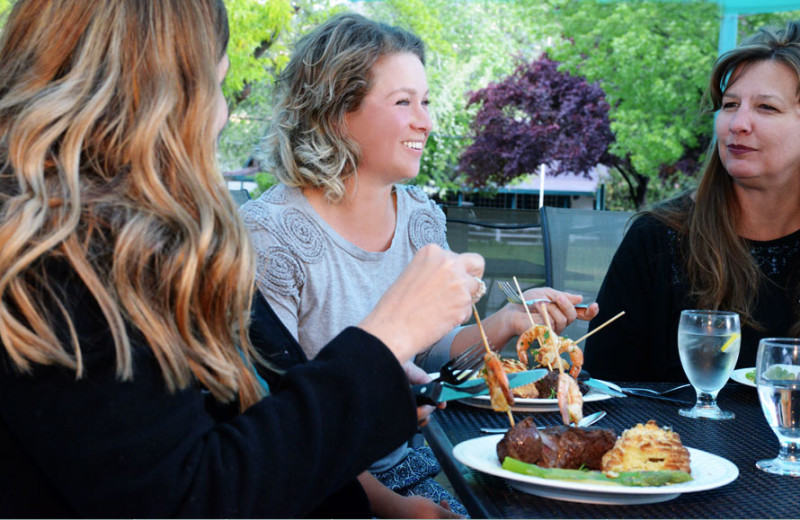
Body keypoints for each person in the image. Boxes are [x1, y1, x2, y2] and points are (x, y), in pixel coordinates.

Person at [0, 1, 487, 517]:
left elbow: (261, 411)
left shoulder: (167, 249)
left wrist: (381, 487)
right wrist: (387, 340)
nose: (222, 114)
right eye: (214, 84)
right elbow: (195, 498)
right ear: (152, 96)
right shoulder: (56, 267)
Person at [242, 13, 598, 517]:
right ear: (335, 112)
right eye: (403, 102)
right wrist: (390, 507)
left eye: (425, 102)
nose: (426, 121)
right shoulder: (268, 235)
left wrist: (507, 321)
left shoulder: (418, 217)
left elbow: (430, 355)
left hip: (416, 461)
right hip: (322, 489)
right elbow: (277, 415)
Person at [585, 20, 800, 382]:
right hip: (669, 439)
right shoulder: (657, 240)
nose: (738, 123)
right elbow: (605, 387)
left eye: (766, 107)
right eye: (730, 105)